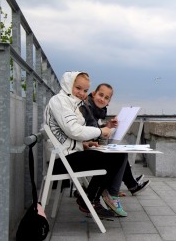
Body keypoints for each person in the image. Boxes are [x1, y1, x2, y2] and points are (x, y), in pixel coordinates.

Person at [43, 71, 128, 218]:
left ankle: (90, 198)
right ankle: (90, 199)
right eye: (78, 88)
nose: (82, 93)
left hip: (65, 156)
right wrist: (100, 132)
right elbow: (74, 130)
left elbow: (67, 134)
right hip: (60, 162)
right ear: (68, 84)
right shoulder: (60, 101)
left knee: (116, 156)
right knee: (116, 157)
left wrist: (84, 144)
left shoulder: (69, 102)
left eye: (85, 90)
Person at [79, 83, 150, 196]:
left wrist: (108, 125)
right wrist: (106, 128)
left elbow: (94, 129)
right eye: (100, 95)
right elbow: (90, 131)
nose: (102, 99)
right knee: (118, 155)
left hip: (85, 147)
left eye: (106, 98)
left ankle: (129, 183)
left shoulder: (94, 109)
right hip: (81, 151)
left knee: (119, 153)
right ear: (93, 94)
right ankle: (118, 188)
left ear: (109, 101)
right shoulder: (87, 108)